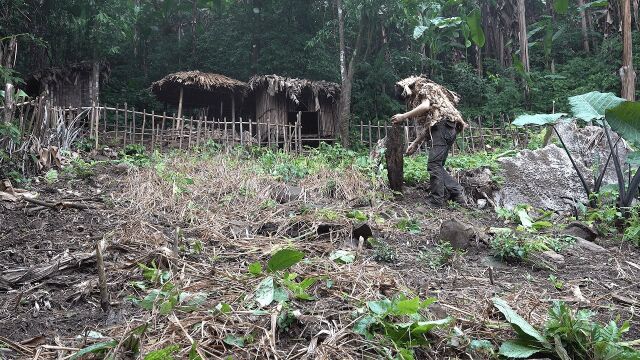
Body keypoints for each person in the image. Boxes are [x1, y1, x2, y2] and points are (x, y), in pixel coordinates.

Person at [390, 76, 467, 207]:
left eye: (408, 97)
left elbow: (425, 107)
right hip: (448, 128)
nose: (409, 100)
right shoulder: (430, 95)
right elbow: (430, 124)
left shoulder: (425, 88)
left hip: (443, 128)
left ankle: (437, 200)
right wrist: (415, 143)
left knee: (434, 165)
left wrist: (403, 116)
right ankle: (457, 194)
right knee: (437, 165)